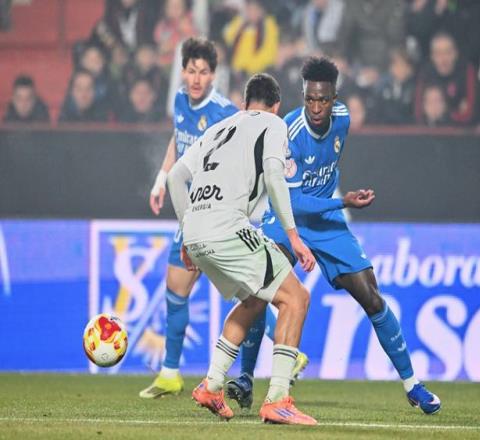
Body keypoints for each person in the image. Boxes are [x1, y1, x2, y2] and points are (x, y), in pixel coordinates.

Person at [229, 56, 442, 416]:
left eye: (323, 100)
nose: (316, 108)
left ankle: (413, 385)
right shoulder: (290, 132)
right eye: (310, 99)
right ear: (303, 96)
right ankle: (246, 378)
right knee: (259, 290)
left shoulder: (343, 120)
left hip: (327, 222)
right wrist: (342, 201)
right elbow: (293, 200)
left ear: (334, 99)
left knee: (371, 296)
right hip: (287, 219)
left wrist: (336, 204)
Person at [167, 72, 317, 425]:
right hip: (227, 226)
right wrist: (293, 236)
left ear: (243, 103)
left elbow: (175, 177)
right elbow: (275, 176)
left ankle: (211, 384)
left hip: (197, 229)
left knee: (253, 301)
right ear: (276, 106)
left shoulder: (218, 128)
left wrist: (186, 234)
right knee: (296, 298)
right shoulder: (274, 124)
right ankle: (278, 399)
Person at [139, 37, 239, 399]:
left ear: (214, 76)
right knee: (176, 291)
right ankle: (170, 374)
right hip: (189, 216)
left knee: (247, 291)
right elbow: (178, 141)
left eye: (204, 72)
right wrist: (161, 180)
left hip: (214, 215)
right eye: (192, 71)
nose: (196, 78)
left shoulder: (226, 113)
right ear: (183, 72)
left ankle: (286, 343)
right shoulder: (180, 100)